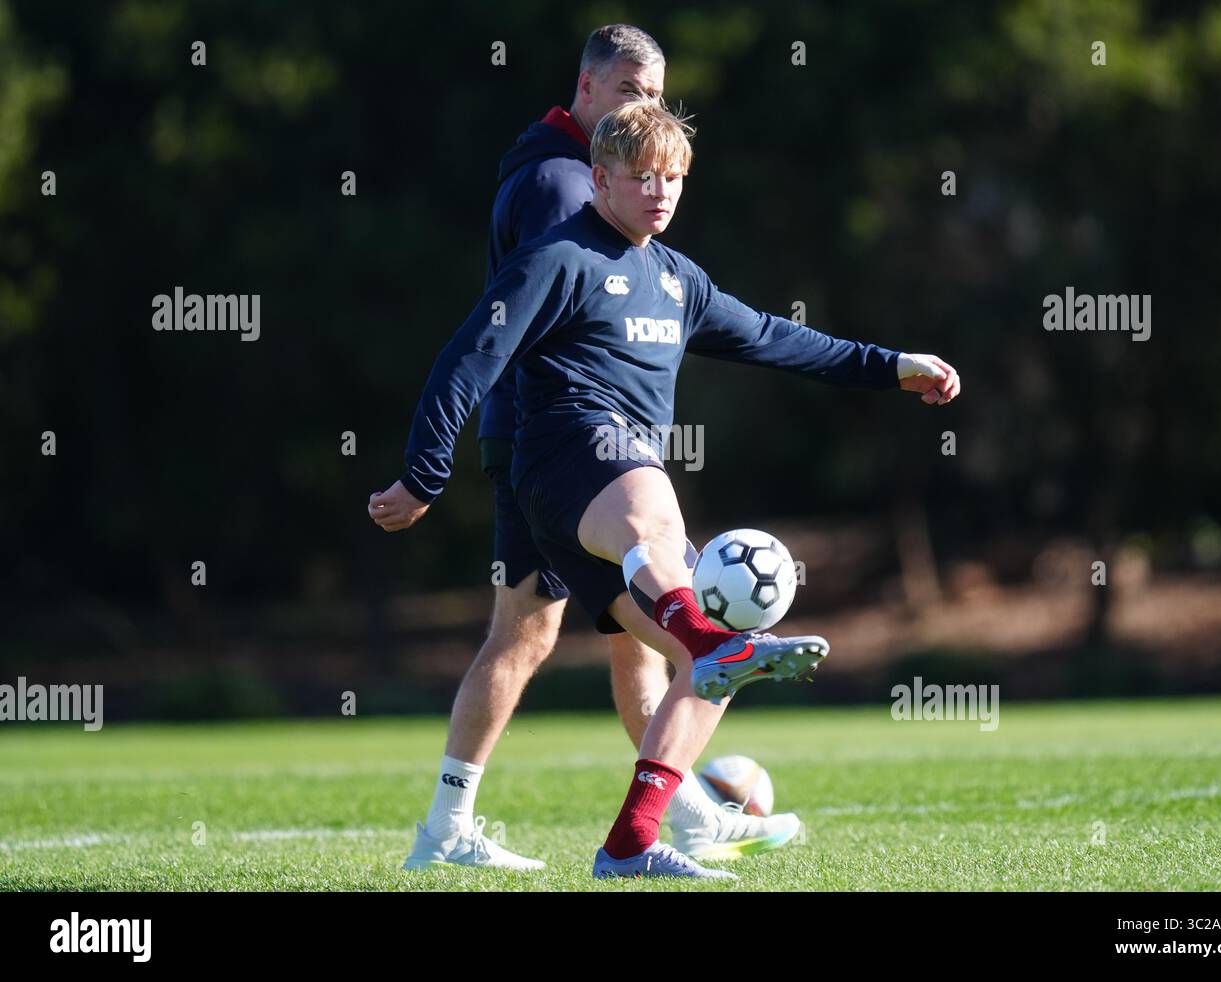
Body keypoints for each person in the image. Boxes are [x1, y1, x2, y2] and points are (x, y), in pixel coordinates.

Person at [369, 101, 960, 879]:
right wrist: (424, 471)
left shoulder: (679, 279)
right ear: (600, 179)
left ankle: (630, 844)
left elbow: (781, 340)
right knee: (655, 511)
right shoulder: (559, 257)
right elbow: (470, 355)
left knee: (700, 668)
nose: (658, 191)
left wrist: (891, 366)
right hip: (563, 457)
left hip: (604, 496)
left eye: (672, 178)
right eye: (641, 177)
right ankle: (713, 644)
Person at [384, 25, 799, 872]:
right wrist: (435, 465)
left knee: (556, 637)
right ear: (586, 86)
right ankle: (661, 810)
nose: (642, 110)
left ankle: (472, 825)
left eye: (653, 96)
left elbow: (756, 333)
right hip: (558, 444)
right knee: (602, 628)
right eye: (627, 92)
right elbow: (526, 322)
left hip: (556, 442)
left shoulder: (587, 179)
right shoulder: (560, 184)